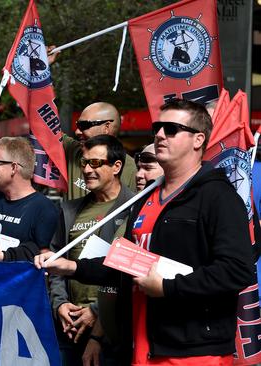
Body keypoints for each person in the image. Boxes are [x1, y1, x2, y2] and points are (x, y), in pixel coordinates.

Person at [36, 99, 255, 364]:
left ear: (198, 140)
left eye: (171, 129)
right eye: (158, 128)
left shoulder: (217, 196)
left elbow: (237, 270)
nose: (160, 135)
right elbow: (125, 265)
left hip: (193, 351)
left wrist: (168, 288)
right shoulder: (145, 199)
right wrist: (71, 267)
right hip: (142, 346)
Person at [49, 135, 134, 366]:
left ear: (117, 166)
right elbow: (57, 261)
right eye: (84, 163)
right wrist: (60, 304)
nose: (86, 169)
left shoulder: (135, 209)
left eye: (95, 163)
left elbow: (127, 270)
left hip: (111, 329)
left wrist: (97, 312)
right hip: (69, 325)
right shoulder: (69, 210)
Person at [64, 102, 137, 200]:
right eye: (84, 162)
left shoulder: (132, 171)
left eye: (84, 125)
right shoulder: (74, 151)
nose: (77, 131)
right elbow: (43, 127)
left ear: (106, 127)